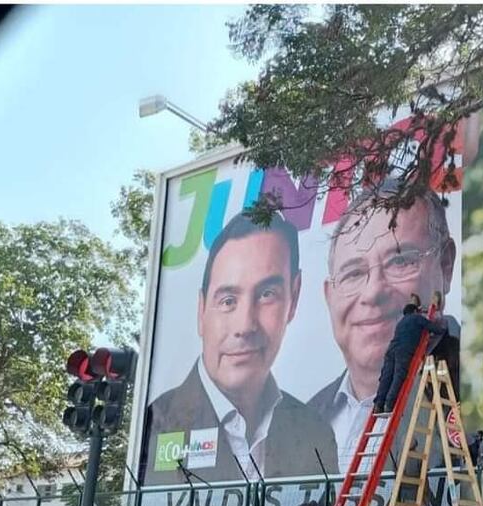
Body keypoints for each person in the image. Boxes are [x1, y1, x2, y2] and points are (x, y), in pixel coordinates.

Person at [142, 214, 338, 484]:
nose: (245, 326)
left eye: (267, 294)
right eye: (228, 301)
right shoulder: (157, 421)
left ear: (293, 298)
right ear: (201, 310)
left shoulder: (314, 433)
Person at [309, 178, 460, 470]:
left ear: (446, 265)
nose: (373, 292)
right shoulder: (304, 417)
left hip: (400, 364)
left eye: (400, 262)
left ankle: (382, 405)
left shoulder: (469, 378)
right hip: (398, 362)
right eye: (353, 274)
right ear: (329, 296)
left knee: (391, 382)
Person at [373, 303, 447, 415]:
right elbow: (435, 329)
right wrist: (443, 327)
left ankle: (378, 404)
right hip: (403, 351)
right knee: (398, 376)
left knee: (386, 377)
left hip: (391, 350)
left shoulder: (400, 322)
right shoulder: (417, 318)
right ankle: (389, 404)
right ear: (415, 311)